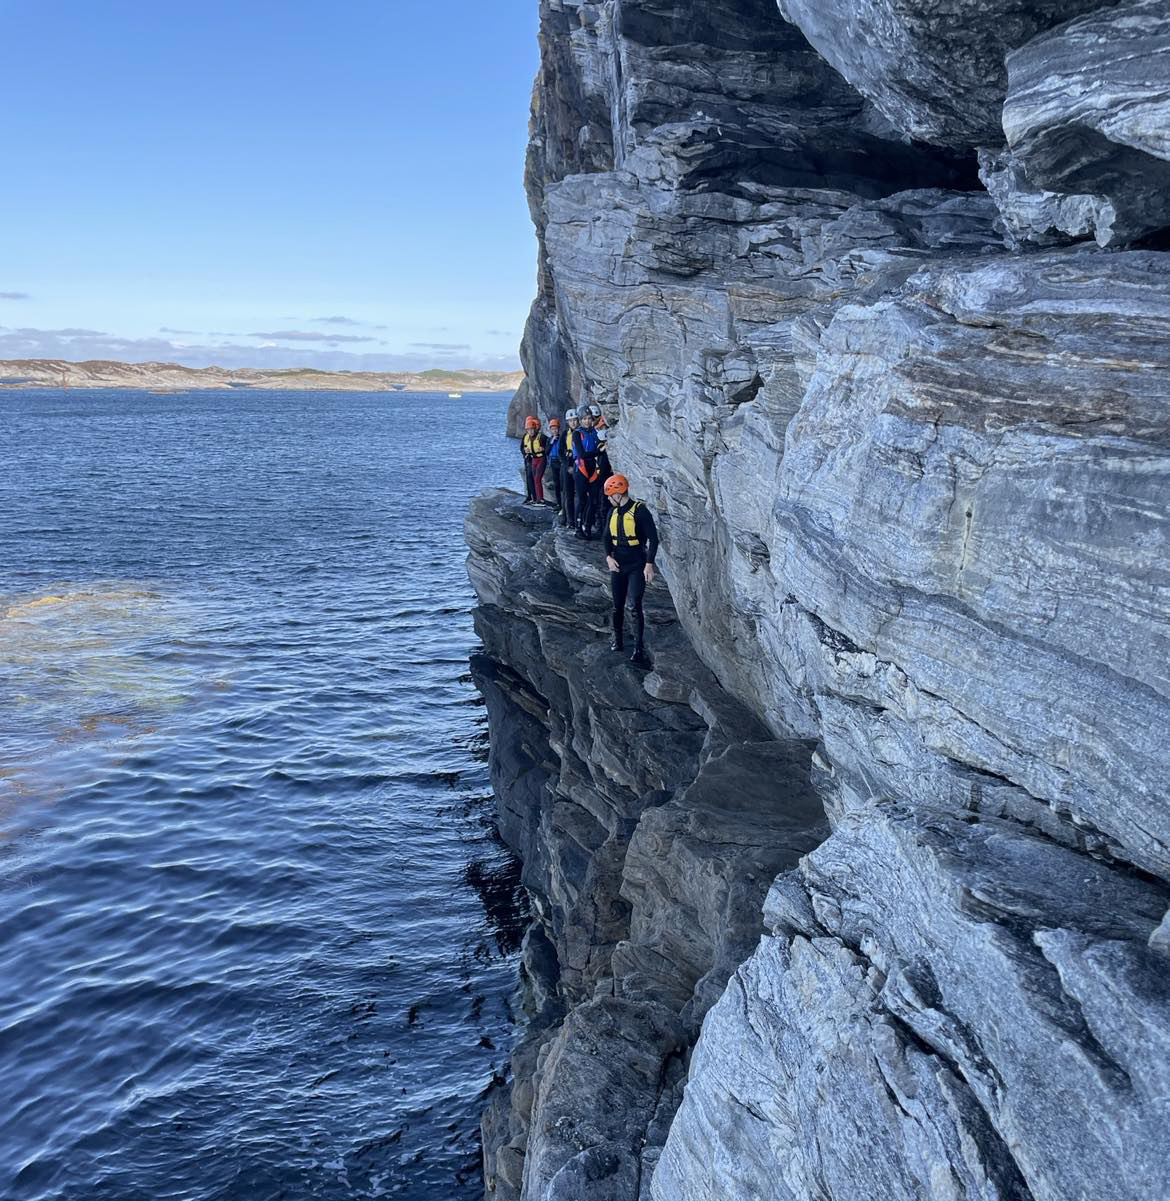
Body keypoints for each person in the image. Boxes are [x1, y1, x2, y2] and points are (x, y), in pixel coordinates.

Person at [603, 474, 658, 666]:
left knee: (635, 604)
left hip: (636, 564)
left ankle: (638, 648)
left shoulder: (640, 511)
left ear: (618, 494)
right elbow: (606, 538)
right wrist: (608, 557)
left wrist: (649, 564)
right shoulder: (613, 513)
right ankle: (617, 639)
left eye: (610, 496)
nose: (609, 500)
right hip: (618, 564)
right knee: (617, 605)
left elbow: (654, 538)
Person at [571, 407, 602, 538]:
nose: (587, 421)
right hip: (581, 469)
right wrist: (599, 451)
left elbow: (600, 443)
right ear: (580, 420)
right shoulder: (577, 434)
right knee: (582, 500)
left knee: (594, 501)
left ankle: (588, 527)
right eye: (584, 419)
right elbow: (582, 454)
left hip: (592, 469)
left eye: (589, 419)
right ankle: (578, 529)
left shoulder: (595, 432)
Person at [521, 416, 548, 505]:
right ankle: (534, 497)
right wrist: (525, 453)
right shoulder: (527, 437)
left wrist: (544, 449)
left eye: (532, 429)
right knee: (532, 478)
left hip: (541, 459)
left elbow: (549, 445)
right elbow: (523, 447)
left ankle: (540, 499)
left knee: (537, 479)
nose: (531, 431)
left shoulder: (541, 437)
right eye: (529, 430)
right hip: (533, 459)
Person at [559, 409, 579, 528]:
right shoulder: (565, 434)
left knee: (580, 495)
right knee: (568, 494)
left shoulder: (581, 433)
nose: (573, 423)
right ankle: (569, 521)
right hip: (567, 466)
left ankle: (578, 520)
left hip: (579, 465)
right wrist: (568, 466)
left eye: (575, 420)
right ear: (568, 422)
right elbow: (561, 451)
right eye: (571, 421)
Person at [546, 417, 563, 510]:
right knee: (556, 484)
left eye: (556, 429)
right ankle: (558, 503)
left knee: (562, 483)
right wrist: (552, 442)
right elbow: (547, 452)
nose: (554, 431)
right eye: (553, 429)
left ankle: (563, 503)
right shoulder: (549, 440)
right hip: (553, 462)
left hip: (560, 462)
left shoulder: (562, 438)